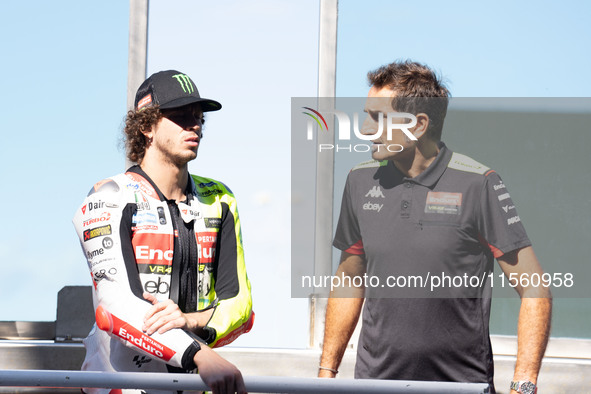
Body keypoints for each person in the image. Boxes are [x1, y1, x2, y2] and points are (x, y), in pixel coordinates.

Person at [318, 60, 552, 394]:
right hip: (373, 386)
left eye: (379, 118)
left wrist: (524, 385)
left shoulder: (479, 184)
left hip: (461, 388)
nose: (367, 129)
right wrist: (327, 374)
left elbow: (535, 289)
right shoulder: (359, 179)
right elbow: (350, 279)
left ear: (419, 124)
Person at [73, 70, 254, 394]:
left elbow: (240, 305)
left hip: (191, 383)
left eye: (198, 118)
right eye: (181, 116)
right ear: (146, 126)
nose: (195, 125)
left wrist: (190, 321)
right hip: (118, 386)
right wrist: (198, 354)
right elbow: (114, 305)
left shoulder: (221, 199)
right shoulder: (109, 196)